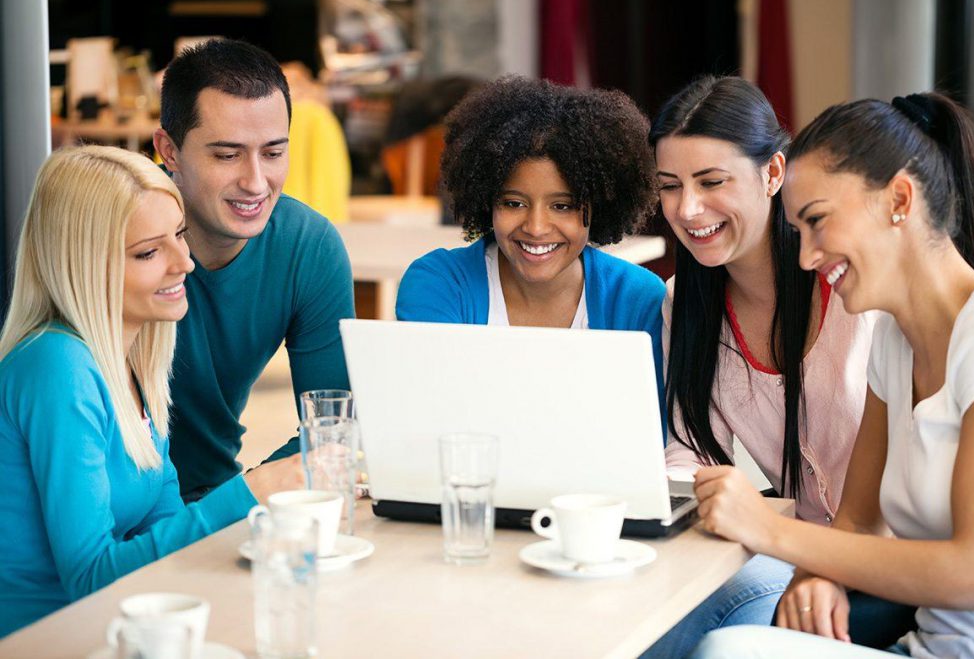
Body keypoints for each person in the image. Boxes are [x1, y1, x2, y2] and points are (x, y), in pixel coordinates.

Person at [689, 92, 974, 658]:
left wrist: (771, 530)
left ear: (899, 200)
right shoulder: (893, 340)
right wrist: (821, 575)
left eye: (816, 222)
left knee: (728, 651)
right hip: (921, 645)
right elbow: (859, 522)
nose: (807, 256)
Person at [642, 76, 892, 658]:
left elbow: (904, 483)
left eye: (712, 182)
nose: (687, 210)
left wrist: (820, 561)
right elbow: (688, 448)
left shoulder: (854, 291)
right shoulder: (685, 301)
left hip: (884, 569)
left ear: (774, 173)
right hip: (788, 558)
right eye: (670, 186)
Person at [0, 146, 285, 636]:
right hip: (41, 639)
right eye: (149, 252)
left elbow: (166, 527)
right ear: (86, 265)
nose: (185, 263)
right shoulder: (57, 367)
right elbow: (89, 578)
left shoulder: (133, 363)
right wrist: (248, 495)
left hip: (111, 628)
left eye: (180, 235)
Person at [151, 39, 355, 502]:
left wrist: (244, 496)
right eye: (227, 155)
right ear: (170, 150)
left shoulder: (308, 247)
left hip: (214, 497)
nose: (256, 182)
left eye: (273, 152)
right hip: (114, 517)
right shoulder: (113, 235)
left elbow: (331, 430)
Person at [395, 76, 666, 408]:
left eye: (562, 206)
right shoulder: (440, 285)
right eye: (513, 203)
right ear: (486, 200)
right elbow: (424, 414)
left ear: (599, 206)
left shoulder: (638, 299)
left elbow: (654, 437)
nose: (536, 228)